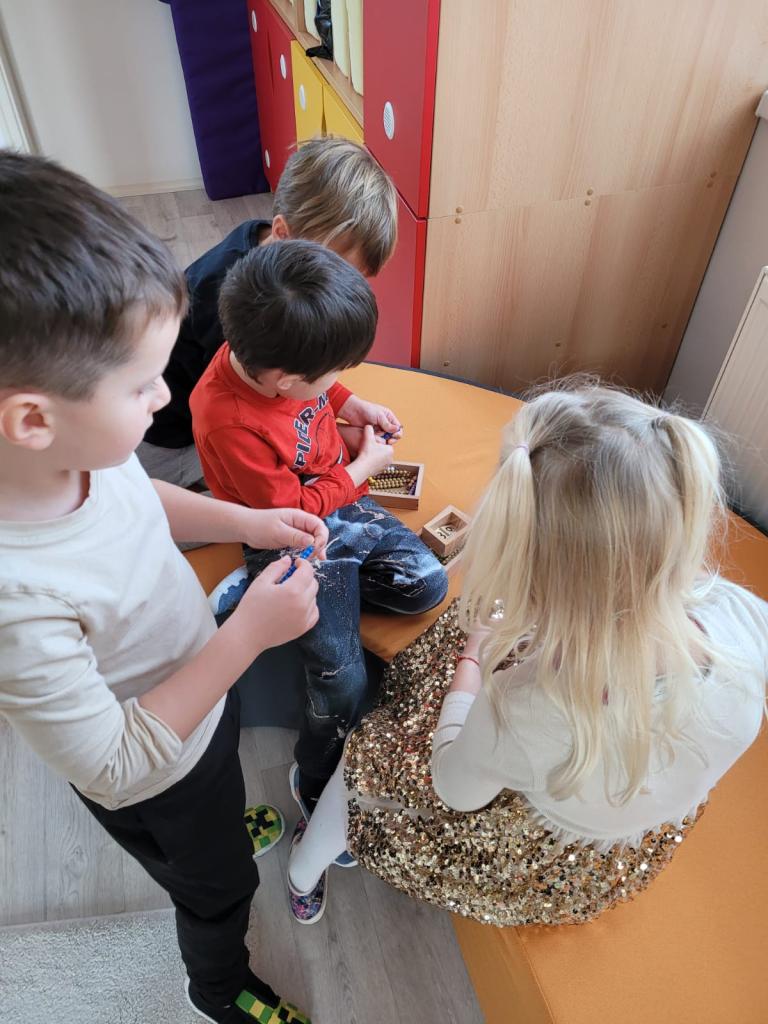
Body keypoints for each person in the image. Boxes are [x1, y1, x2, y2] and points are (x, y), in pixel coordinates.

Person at [0, 150, 324, 1023]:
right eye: (142, 384)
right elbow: (114, 762)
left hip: (196, 705)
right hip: (154, 774)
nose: (163, 396)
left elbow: (142, 496)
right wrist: (247, 635)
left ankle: (215, 840)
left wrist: (248, 521)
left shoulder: (83, 454)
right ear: (32, 418)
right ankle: (216, 989)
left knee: (218, 799)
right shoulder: (15, 601)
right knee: (215, 891)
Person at [285, 382, 767, 927]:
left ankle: (302, 870)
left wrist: (473, 659)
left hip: (532, 858)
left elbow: (453, 788)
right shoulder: (747, 617)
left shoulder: (526, 711)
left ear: (537, 583)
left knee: (366, 753)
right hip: (627, 850)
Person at [189, 240, 448, 839]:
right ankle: (312, 776)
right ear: (283, 380)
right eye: (335, 374)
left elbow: (320, 394)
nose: (339, 382)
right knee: (343, 681)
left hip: (338, 499)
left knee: (426, 585)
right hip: (285, 532)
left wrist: (355, 404)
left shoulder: (270, 354)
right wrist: (362, 466)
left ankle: (321, 594)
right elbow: (294, 510)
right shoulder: (227, 418)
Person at [138, 137, 398, 488]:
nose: (339, 288)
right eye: (333, 270)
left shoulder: (275, 254)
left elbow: (290, 381)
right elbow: (264, 413)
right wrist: (342, 449)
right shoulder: (234, 301)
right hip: (174, 445)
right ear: (282, 232)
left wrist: (347, 405)